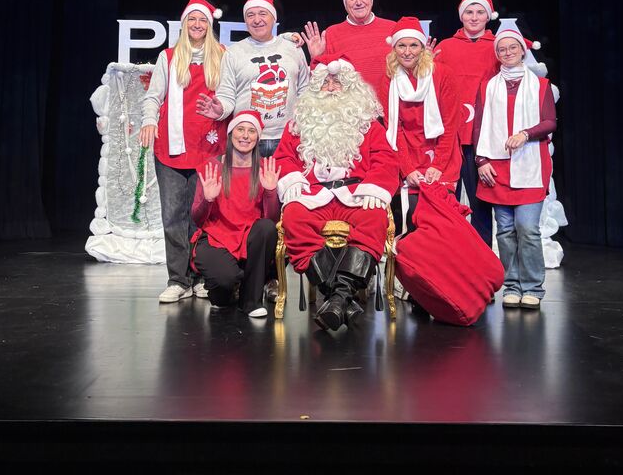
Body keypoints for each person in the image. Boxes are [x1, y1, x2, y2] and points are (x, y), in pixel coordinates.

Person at [274, 54, 400, 331]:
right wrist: (293, 180)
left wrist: (375, 186)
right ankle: (341, 298)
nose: (331, 88)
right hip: (313, 194)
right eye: (325, 82)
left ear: (352, 87)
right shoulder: (299, 123)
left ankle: (337, 298)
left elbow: (386, 159)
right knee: (294, 217)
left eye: (338, 82)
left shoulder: (369, 124)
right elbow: (284, 157)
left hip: (355, 193)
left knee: (374, 218)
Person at [141, 0, 226, 304]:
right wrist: (149, 120)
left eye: (203, 20)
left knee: (203, 216)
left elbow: (231, 95)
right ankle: (179, 280)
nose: (197, 25)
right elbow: (154, 96)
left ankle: (201, 276)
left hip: (209, 146)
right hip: (172, 147)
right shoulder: (168, 57)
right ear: (184, 24)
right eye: (192, 19)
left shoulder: (222, 56)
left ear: (210, 25)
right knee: (173, 216)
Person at [472, 20, 556, 310]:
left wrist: (525, 134)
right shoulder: (488, 86)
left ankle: (532, 287)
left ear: (522, 51)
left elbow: (550, 122)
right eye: (502, 49)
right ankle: (512, 285)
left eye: (512, 48)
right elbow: (479, 126)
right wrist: (481, 160)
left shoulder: (541, 86)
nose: (507, 52)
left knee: (527, 228)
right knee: (505, 231)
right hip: (497, 168)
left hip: (530, 165)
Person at [190, 111, 280, 318]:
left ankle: (250, 301)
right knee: (223, 288)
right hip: (216, 238)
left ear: (257, 138)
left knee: (266, 227)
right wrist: (207, 200)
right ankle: (234, 283)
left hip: (249, 238)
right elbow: (197, 218)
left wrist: (270, 192)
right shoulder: (212, 168)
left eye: (251, 131)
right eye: (240, 129)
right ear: (231, 134)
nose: (245, 136)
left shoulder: (265, 169)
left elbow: (272, 220)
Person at [197, 0, 309, 157]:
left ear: (273, 18)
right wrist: (221, 110)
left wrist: (302, 125)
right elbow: (227, 94)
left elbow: (304, 90)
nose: (257, 20)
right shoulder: (233, 53)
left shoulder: (293, 48)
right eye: (250, 15)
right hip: (247, 138)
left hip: (288, 136)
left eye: (263, 13)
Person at [380, 17, 461, 234]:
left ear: (422, 48)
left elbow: (450, 125)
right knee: (413, 220)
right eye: (401, 46)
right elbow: (393, 129)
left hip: (442, 157)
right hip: (407, 156)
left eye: (413, 45)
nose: (407, 52)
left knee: (442, 221)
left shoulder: (442, 74)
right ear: (394, 48)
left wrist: (438, 165)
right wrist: (407, 169)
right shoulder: (389, 79)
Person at [435, 0, 500, 246]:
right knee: (446, 200)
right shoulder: (445, 47)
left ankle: (482, 257)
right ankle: (450, 256)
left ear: (488, 16)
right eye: (469, 12)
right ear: (461, 15)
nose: (474, 17)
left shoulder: (497, 47)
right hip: (450, 135)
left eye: (479, 12)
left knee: (480, 201)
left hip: (481, 137)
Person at [301, 0, 397, 96]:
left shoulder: (392, 28)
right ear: (345, 3)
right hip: (350, 106)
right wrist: (316, 57)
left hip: (389, 103)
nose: (359, 2)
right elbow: (323, 82)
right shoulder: (332, 33)